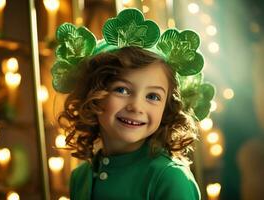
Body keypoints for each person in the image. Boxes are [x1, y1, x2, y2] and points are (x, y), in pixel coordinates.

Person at [51, 8, 214, 200]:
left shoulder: (170, 178)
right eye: (122, 90)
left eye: (153, 96)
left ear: (167, 108)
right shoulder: (81, 177)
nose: (136, 107)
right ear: (93, 94)